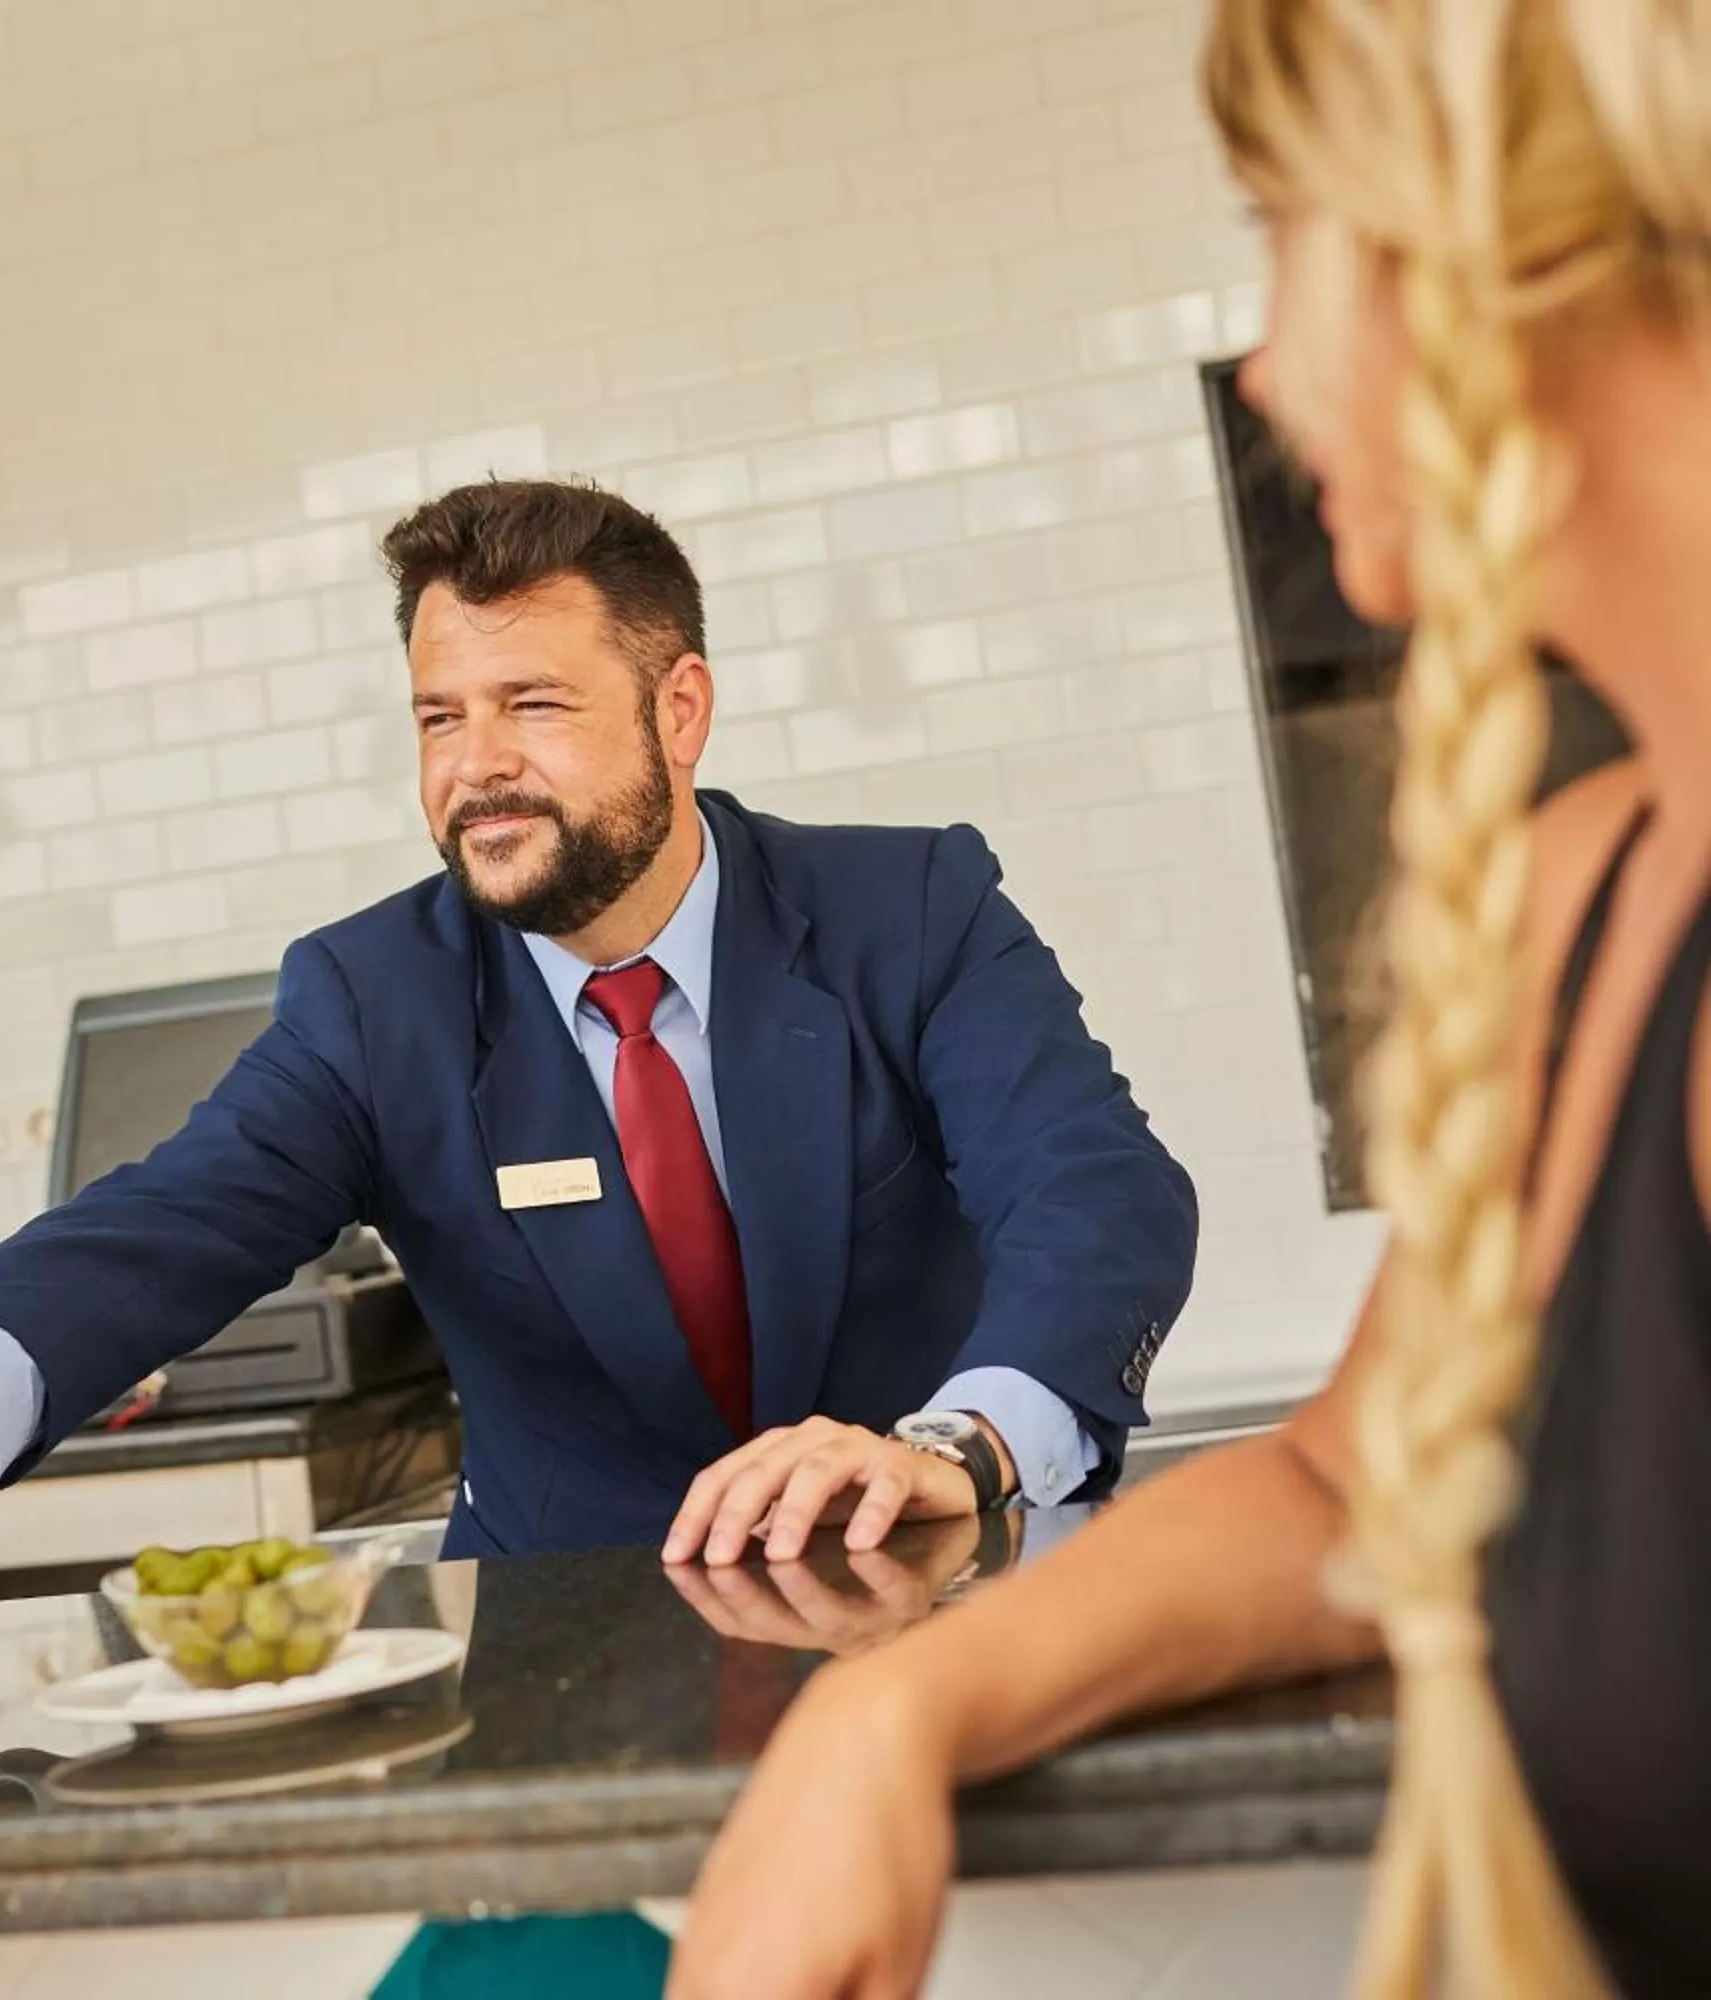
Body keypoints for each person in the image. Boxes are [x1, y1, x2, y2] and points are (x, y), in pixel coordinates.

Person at [668, 0, 1711, 1994]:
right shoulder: (1594, 890)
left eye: (1276, 226)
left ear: (1493, 250)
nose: (1269, 363)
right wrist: (891, 1710)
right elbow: (1344, 1484)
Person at [0, 478, 1199, 1560]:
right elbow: (173, 1222)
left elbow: (1094, 1190)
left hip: (924, 1597)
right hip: (556, 1656)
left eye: (534, 704)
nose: (477, 764)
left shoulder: (907, 912)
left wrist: (958, 1447)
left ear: (680, 710)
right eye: (440, 717)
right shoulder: (374, 999)